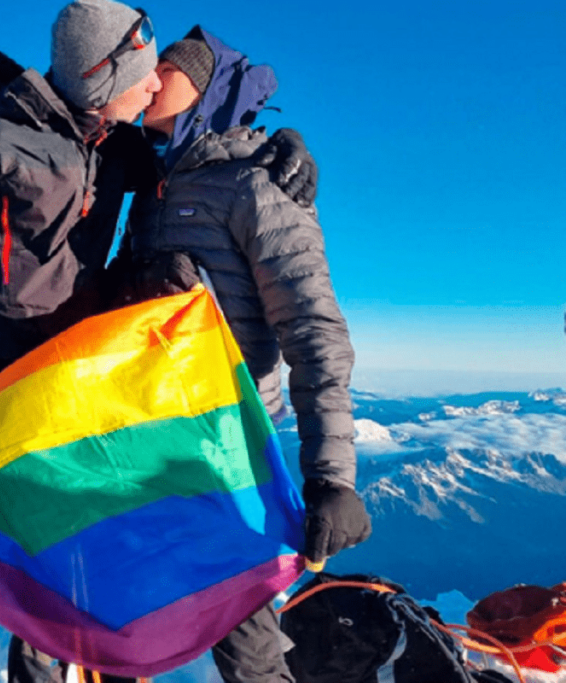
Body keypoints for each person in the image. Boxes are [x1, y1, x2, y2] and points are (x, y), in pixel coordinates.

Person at [0, 3, 319, 682]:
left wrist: (281, 144)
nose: (152, 88)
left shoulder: (122, 147)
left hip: (75, 382)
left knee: (67, 577)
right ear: (99, 76)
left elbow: (202, 153)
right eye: (142, 74)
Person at [119, 27, 372, 683]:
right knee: (117, 620)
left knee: (246, 642)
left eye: (165, 67)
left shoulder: (258, 184)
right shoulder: (150, 187)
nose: (148, 77)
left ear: (201, 89)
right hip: (139, 434)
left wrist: (331, 478)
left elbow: (313, 328)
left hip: (224, 446)